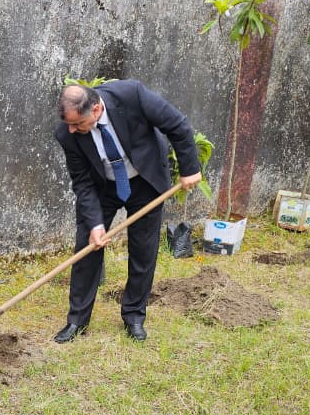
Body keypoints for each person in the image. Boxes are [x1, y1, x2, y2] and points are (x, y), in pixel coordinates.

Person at [52, 81, 203, 343]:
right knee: (86, 249)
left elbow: (177, 125)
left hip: (144, 180)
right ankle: (77, 319)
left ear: (97, 109)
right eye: (69, 125)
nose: (72, 130)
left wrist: (190, 168)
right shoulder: (67, 134)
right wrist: (96, 225)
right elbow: (83, 183)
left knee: (143, 249)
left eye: (78, 124)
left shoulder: (131, 95)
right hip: (102, 186)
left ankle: (134, 315)